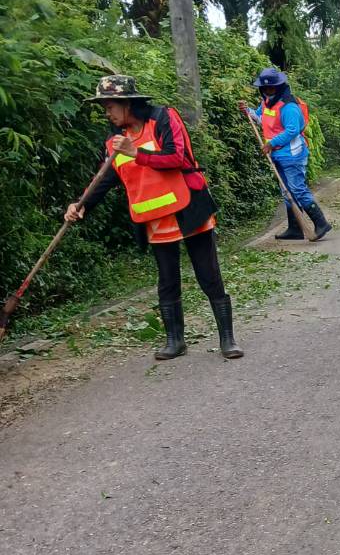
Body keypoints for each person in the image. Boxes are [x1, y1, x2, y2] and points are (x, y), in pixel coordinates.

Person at [65, 75, 242, 361]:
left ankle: (227, 339)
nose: (107, 113)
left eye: (109, 107)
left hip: (188, 208)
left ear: (127, 104)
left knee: (207, 274)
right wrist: (82, 203)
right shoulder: (114, 142)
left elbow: (178, 158)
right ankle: (175, 340)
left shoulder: (163, 118)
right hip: (155, 217)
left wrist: (136, 153)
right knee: (167, 279)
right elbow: (105, 178)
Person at [247, 67, 331, 241]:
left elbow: (292, 130)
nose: (268, 91)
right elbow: (260, 118)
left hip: (292, 154)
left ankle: (321, 223)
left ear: (279, 86)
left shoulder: (289, 106)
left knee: (297, 190)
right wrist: (247, 112)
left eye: (271, 88)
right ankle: (295, 228)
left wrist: (271, 143)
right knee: (286, 192)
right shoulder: (266, 103)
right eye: (265, 89)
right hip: (277, 155)